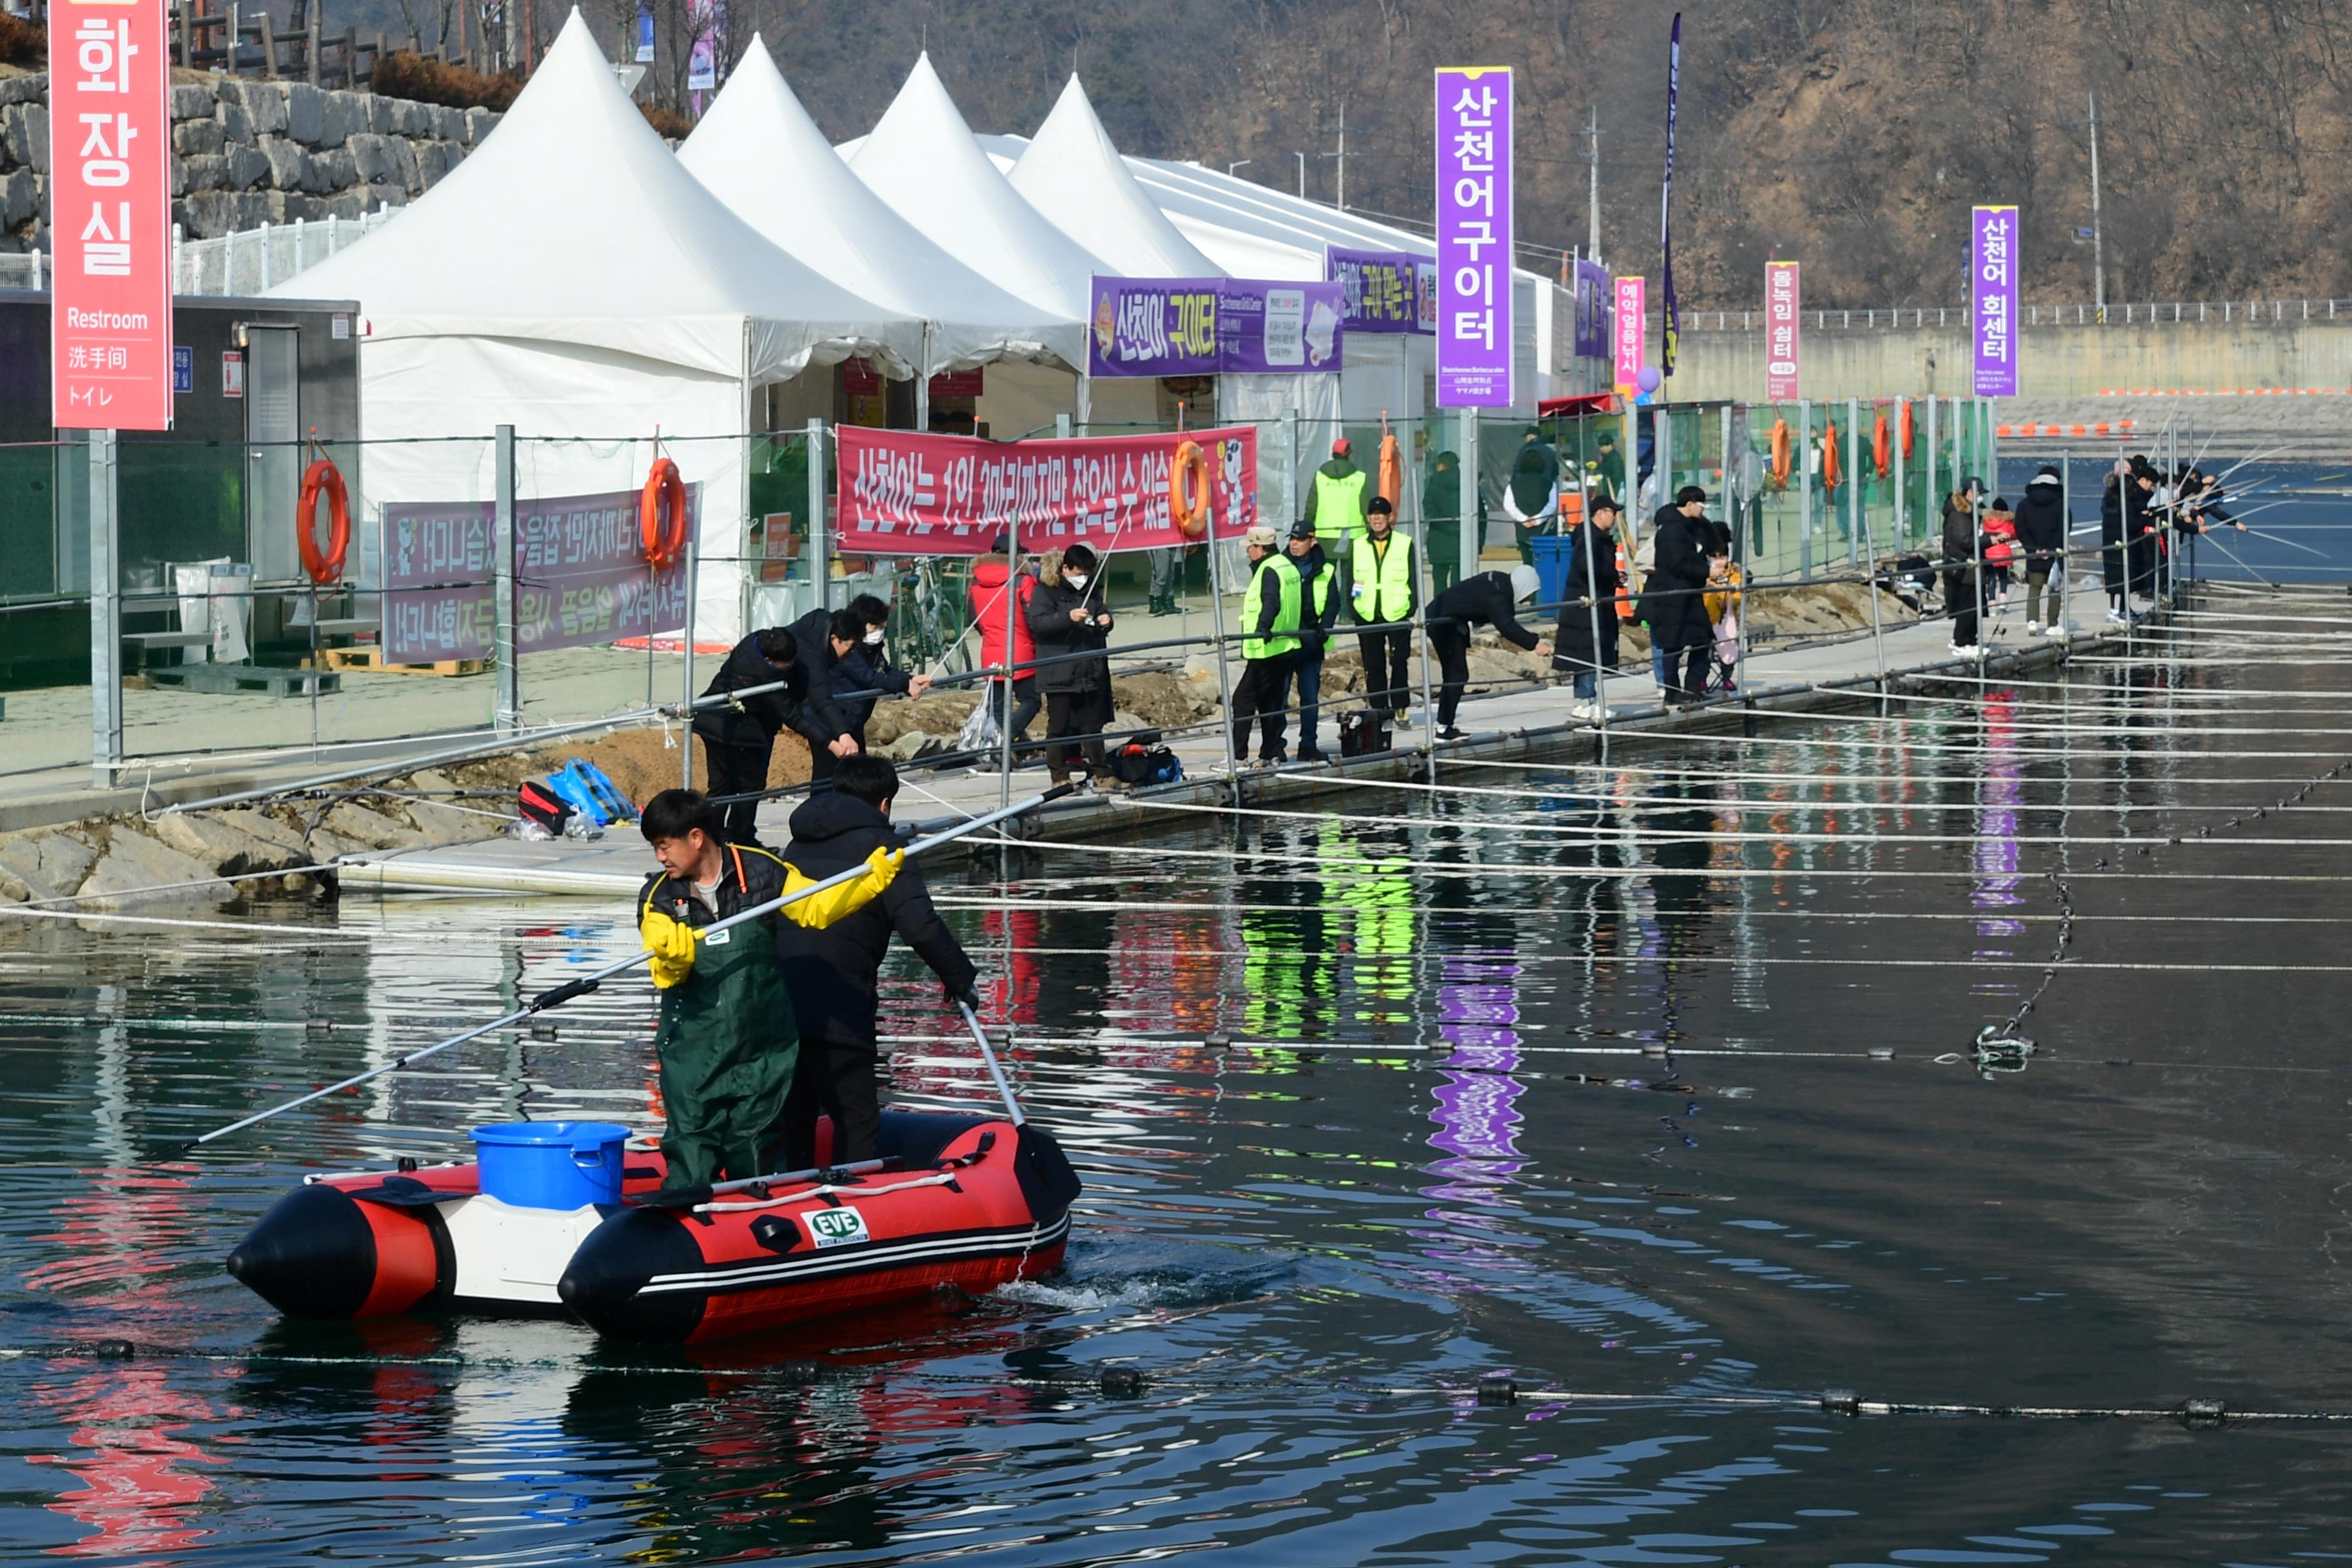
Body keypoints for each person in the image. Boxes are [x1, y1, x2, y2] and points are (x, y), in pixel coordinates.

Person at [634, 787, 899, 1188]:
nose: (660, 857)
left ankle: (759, 1215)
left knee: (757, 1146)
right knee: (691, 1139)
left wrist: (867, 883)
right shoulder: (658, 897)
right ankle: (684, 1212)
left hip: (759, 1049)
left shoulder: (762, 871)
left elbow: (816, 906)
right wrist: (671, 958)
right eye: (655, 848)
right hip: (693, 1052)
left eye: (663, 846)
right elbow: (663, 970)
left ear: (696, 837)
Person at [770, 755, 978, 1170]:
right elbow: (919, 926)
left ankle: (788, 1201)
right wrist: (960, 979)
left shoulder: (795, 845)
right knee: (858, 1119)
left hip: (779, 1004)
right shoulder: (886, 851)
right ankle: (854, 1214)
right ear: (884, 803)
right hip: (841, 1007)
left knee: (795, 1119)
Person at [691, 626, 853, 845]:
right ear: (770, 660)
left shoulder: (755, 641)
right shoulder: (764, 678)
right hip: (736, 731)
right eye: (786, 665)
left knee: (721, 787)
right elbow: (795, 717)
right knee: (750, 786)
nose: (791, 667)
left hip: (713, 721)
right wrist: (831, 743)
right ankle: (740, 839)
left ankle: (712, 839)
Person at [1023, 544, 1116, 787]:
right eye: (1079, 572)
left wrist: (1106, 620)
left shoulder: (1092, 590)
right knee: (1059, 725)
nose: (1083, 578)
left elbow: (1100, 613)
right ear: (1066, 568)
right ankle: (1059, 775)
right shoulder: (1046, 591)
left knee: (1092, 725)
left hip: (1088, 669)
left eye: (1087, 572)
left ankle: (1102, 773)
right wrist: (1067, 617)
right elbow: (1040, 624)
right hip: (1059, 671)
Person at [1425, 564, 1551, 741]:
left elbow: (1478, 600)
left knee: (1456, 675)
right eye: (1529, 594)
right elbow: (1507, 627)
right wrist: (1534, 644)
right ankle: (1444, 729)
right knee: (1456, 675)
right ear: (1523, 587)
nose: (1527, 599)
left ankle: (1446, 726)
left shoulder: (1500, 581)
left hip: (1450, 620)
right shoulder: (1498, 596)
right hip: (1442, 622)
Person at [1636, 485, 1714, 704]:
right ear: (1689, 505)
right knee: (1673, 646)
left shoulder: (1692, 527)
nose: (1703, 511)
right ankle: (1672, 691)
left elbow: (1712, 540)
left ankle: (1693, 687)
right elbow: (1677, 563)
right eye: (1701, 506)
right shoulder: (1671, 530)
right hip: (1672, 596)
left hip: (1691, 594)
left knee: (1702, 641)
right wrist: (1707, 571)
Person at [1231, 524, 1301, 765]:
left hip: (1267, 647)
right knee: (1270, 702)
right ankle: (1272, 752)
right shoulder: (1286, 565)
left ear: (1260, 548)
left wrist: (1264, 627)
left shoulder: (1268, 569)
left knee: (1242, 701)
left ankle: (1238, 757)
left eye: (1250, 547)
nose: (1248, 552)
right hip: (1285, 645)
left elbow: (1271, 600)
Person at [1551, 493, 1622, 723]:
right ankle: (1587, 700)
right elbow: (1586, 566)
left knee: (1586, 652)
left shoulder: (1595, 537)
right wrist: (1611, 575)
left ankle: (1585, 700)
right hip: (1586, 603)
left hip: (1592, 599)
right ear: (1600, 513)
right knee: (1590, 652)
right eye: (1613, 513)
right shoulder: (1591, 539)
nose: (1615, 518)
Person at [1349, 495, 1417, 726]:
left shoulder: (1404, 543)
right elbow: (1352, 579)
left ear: (1390, 518)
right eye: (1373, 515)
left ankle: (1400, 706)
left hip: (1397, 611)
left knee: (1399, 661)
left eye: (1381, 515)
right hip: (1367, 613)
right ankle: (1379, 709)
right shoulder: (1358, 544)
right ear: (1368, 518)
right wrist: (1355, 607)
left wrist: (1412, 605)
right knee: (1373, 664)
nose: (1376, 519)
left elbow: (1413, 578)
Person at [970, 535, 1041, 754]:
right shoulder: (1023, 580)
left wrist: (991, 636)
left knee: (998, 707)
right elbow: (1033, 618)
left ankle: (1003, 751)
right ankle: (1006, 740)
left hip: (991, 651)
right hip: (1021, 650)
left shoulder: (975, 580)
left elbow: (974, 619)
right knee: (1031, 700)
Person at [787, 607, 873, 784]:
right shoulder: (814, 656)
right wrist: (842, 735)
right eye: (850, 647)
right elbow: (821, 700)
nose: (851, 654)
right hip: (825, 720)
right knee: (826, 778)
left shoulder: (827, 648)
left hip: (836, 720)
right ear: (835, 639)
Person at [1284, 520, 1340, 761]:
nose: (1294, 544)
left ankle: (1308, 745)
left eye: (1300, 539)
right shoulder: (1280, 565)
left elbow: (1333, 602)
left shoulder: (1325, 569)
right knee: (1279, 697)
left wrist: (1325, 627)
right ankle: (1275, 746)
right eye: (1292, 539)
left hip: (1311, 641)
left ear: (1312, 541)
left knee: (1310, 697)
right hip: (1284, 640)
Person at [2014, 464, 2068, 637]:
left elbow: (2020, 528)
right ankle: (2052, 624)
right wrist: (2050, 548)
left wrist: (2033, 548)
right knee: (2054, 588)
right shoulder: (2061, 503)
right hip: (2054, 553)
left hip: (2033, 552)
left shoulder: (2024, 504)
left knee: (2034, 588)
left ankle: (2032, 622)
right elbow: (2064, 528)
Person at [1504, 425, 1561, 564]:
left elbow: (1508, 505)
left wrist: (1523, 518)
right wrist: (1538, 519)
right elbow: (1553, 504)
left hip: (1523, 529)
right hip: (1544, 528)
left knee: (1527, 563)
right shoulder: (1550, 454)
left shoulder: (1523, 452)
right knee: (1545, 565)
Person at [1943, 476, 1986, 654]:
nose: (1981, 497)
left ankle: (1970, 640)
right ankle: (1961, 643)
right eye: (1979, 493)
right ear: (1969, 493)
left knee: (1974, 606)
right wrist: (1988, 539)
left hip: (1970, 567)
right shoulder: (1960, 514)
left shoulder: (1969, 513)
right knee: (1967, 606)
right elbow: (1965, 540)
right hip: (1965, 567)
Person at [1304, 436, 1371, 547]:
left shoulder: (1320, 477)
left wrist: (1307, 533)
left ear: (1333, 454)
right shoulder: (1360, 478)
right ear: (1349, 454)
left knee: (1327, 565)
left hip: (1324, 535)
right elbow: (1367, 510)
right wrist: (1372, 532)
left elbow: (1311, 508)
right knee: (1350, 565)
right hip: (1353, 536)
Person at [1422, 449, 1473, 594]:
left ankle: (1439, 612)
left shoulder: (1433, 484)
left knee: (1439, 582)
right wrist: (1478, 541)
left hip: (1439, 538)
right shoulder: (1467, 483)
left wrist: (1445, 526)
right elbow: (1479, 511)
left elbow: (1429, 511)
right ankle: (1457, 611)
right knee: (1460, 584)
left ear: (1441, 465)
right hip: (1462, 539)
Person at [1703, 520, 1742, 696]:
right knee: (1705, 652)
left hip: (1726, 620)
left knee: (1728, 650)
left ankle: (1726, 678)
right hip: (1707, 619)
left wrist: (1728, 599)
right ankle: (1702, 679)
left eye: (1722, 557)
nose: (1719, 562)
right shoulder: (1706, 575)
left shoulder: (1734, 573)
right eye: (1714, 558)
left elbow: (1737, 594)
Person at [1982, 498, 2019, 612]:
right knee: (2003, 578)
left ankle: (1992, 603)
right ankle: (2003, 603)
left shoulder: (1986, 521)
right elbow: (2014, 534)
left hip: (1989, 552)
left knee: (1991, 578)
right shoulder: (2007, 522)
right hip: (2003, 553)